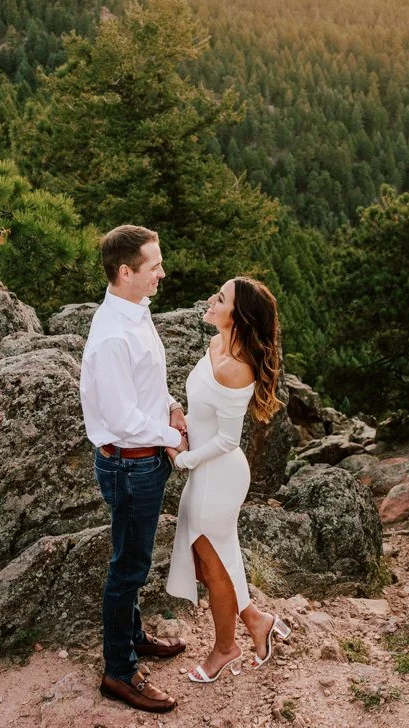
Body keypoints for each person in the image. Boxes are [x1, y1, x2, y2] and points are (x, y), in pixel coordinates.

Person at [82, 225, 189, 714]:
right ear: (125, 272)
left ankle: (133, 636)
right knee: (128, 568)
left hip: (145, 458)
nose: (162, 273)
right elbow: (123, 419)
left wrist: (169, 406)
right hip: (131, 465)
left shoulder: (135, 312)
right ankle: (118, 672)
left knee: (134, 558)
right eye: (154, 266)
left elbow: (145, 385)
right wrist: (175, 439)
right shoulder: (111, 336)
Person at [166, 276, 292, 682]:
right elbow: (206, 411)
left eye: (220, 298)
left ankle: (225, 648)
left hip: (217, 474)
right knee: (213, 562)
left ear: (237, 316)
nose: (211, 300)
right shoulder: (217, 344)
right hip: (206, 470)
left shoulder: (236, 367)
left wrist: (183, 459)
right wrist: (180, 417)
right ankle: (257, 621)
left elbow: (226, 439)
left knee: (213, 565)